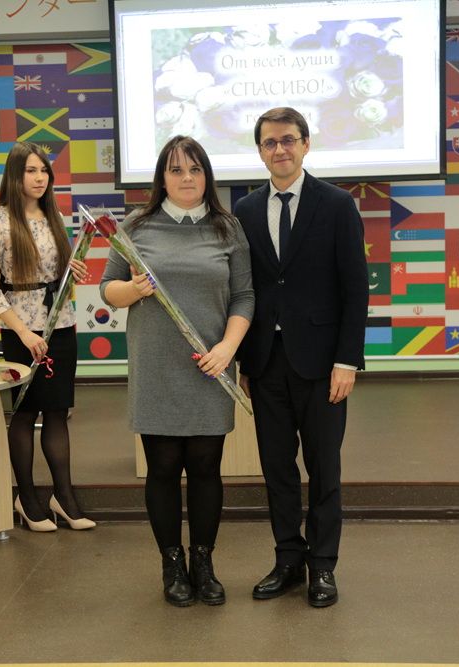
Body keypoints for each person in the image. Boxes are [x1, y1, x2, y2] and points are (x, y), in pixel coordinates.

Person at [100, 135, 254, 607]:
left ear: (207, 175)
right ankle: (172, 564)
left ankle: (203, 562)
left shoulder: (227, 227)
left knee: (206, 467)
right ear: (161, 178)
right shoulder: (136, 225)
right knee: (163, 467)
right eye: (176, 170)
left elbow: (244, 296)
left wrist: (227, 348)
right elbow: (108, 289)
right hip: (157, 367)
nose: (187, 178)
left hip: (210, 367)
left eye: (195, 169)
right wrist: (135, 290)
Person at [233, 107, 367, 607]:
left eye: (288, 140)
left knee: (324, 469)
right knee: (277, 470)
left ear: (306, 144)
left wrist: (347, 361)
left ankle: (323, 566)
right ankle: (288, 559)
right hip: (266, 362)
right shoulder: (245, 210)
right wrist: (245, 362)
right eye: (270, 142)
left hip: (323, 364)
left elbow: (355, 288)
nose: (280, 149)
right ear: (260, 151)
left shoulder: (337, 204)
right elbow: (245, 289)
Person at [0, 141, 95, 532]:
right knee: (26, 413)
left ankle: (64, 498)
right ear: (15, 175)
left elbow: (58, 274)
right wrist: (24, 332)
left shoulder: (54, 216)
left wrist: (73, 272)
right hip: (21, 332)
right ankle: (26, 499)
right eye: (31, 170)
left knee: (58, 411)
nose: (40, 177)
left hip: (60, 324)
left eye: (44, 170)